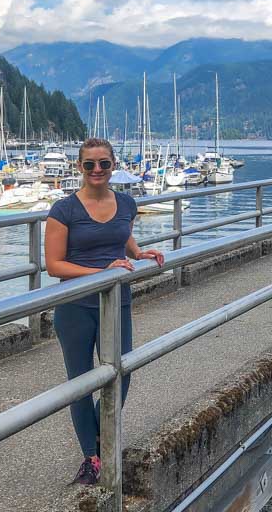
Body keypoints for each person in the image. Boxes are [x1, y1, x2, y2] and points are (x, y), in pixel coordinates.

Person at [45, 137, 165, 485]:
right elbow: (54, 265)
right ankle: (92, 457)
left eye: (104, 164)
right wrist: (102, 273)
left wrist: (138, 252)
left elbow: (120, 236)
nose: (97, 170)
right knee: (81, 384)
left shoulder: (126, 202)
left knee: (121, 372)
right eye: (89, 164)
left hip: (116, 299)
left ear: (113, 165)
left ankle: (98, 441)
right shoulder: (64, 210)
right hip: (76, 305)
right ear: (79, 168)